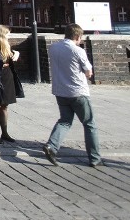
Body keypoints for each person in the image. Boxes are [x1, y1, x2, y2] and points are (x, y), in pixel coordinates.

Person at [42, 23, 102, 167]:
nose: (80, 40)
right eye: (80, 37)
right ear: (77, 36)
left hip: (60, 91)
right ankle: (95, 158)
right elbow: (88, 72)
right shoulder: (78, 51)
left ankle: (52, 146)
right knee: (89, 124)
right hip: (78, 92)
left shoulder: (54, 48)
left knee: (65, 121)